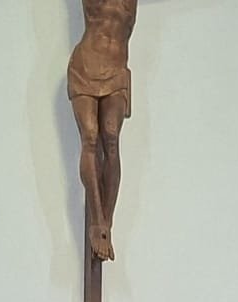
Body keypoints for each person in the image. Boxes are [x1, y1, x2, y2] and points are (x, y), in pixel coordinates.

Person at [68, 0, 137, 260]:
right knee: (90, 137)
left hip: (117, 71)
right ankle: (97, 222)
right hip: (85, 65)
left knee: (111, 139)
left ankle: (107, 222)